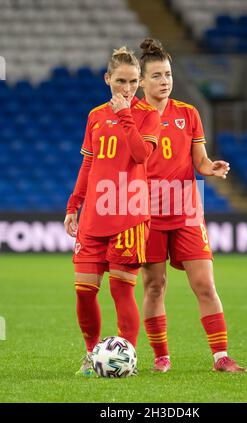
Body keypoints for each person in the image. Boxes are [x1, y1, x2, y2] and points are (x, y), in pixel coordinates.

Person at [139, 38, 246, 373]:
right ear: (141, 81)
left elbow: (199, 160)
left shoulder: (188, 113)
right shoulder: (132, 118)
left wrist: (209, 167)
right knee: (155, 285)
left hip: (186, 210)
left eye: (167, 74)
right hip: (147, 214)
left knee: (205, 284)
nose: (164, 81)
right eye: (156, 76)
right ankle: (161, 357)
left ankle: (221, 357)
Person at [64, 46, 160, 376]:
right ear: (108, 79)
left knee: (121, 290)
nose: (128, 89)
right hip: (94, 215)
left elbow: (139, 156)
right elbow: (88, 163)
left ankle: (127, 360)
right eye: (121, 81)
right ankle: (92, 356)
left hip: (130, 214)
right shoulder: (94, 116)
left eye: (134, 82)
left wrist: (124, 115)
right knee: (83, 291)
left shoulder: (148, 115)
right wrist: (73, 205)